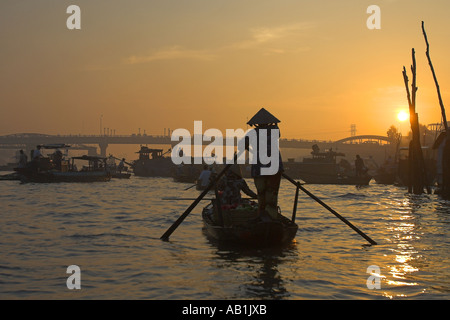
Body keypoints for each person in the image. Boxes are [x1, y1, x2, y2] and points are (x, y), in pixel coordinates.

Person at [245, 108, 284, 220]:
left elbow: (244, 144)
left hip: (259, 168)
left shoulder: (253, 132)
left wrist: (252, 150)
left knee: (261, 193)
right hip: (275, 167)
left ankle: (262, 216)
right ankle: (271, 217)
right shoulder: (275, 129)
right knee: (272, 193)